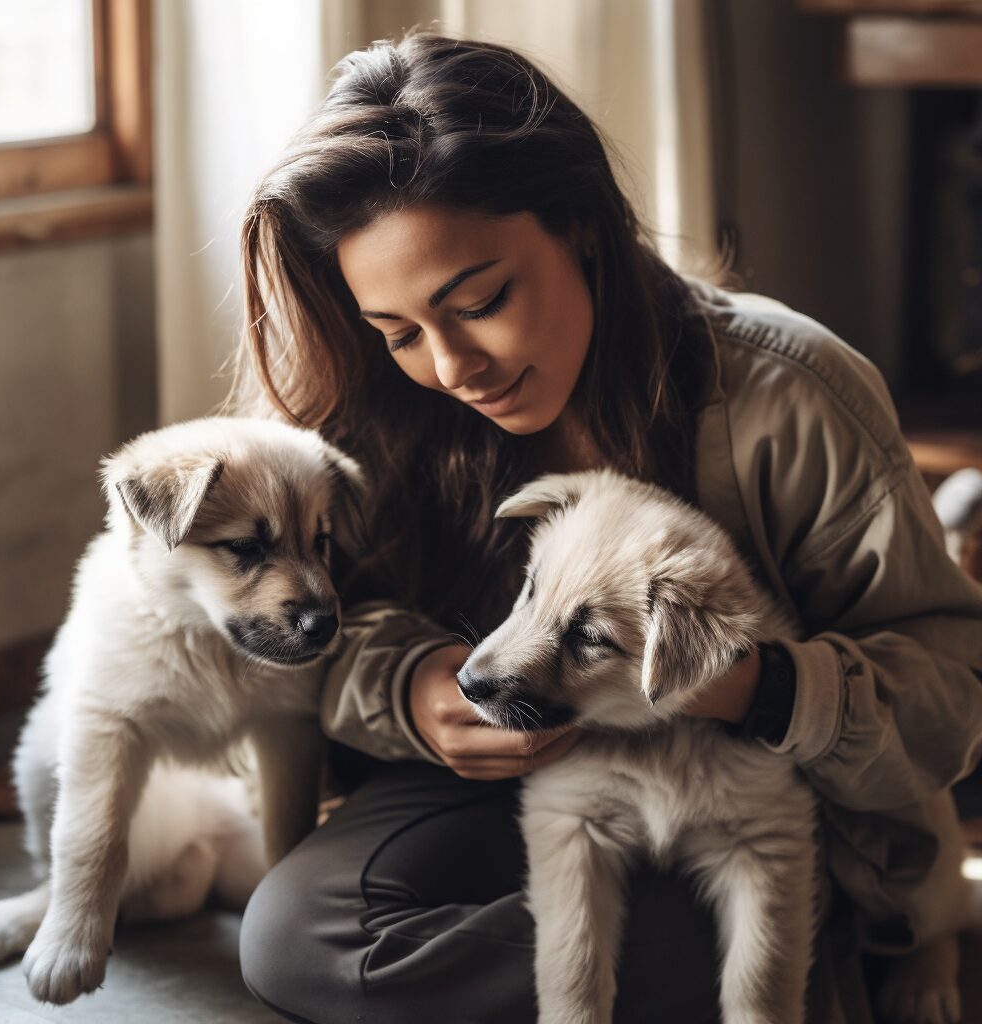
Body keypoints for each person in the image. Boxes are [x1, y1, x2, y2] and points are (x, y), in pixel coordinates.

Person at [233, 30, 982, 1024]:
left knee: (722, 940)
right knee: (295, 938)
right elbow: (316, 638)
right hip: (528, 786)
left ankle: (807, 938)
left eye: (481, 300)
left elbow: (950, 697)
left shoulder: (791, 393)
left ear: (581, 225)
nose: (452, 366)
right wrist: (411, 691)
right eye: (401, 331)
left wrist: (763, 687)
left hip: (765, 806)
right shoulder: (382, 408)